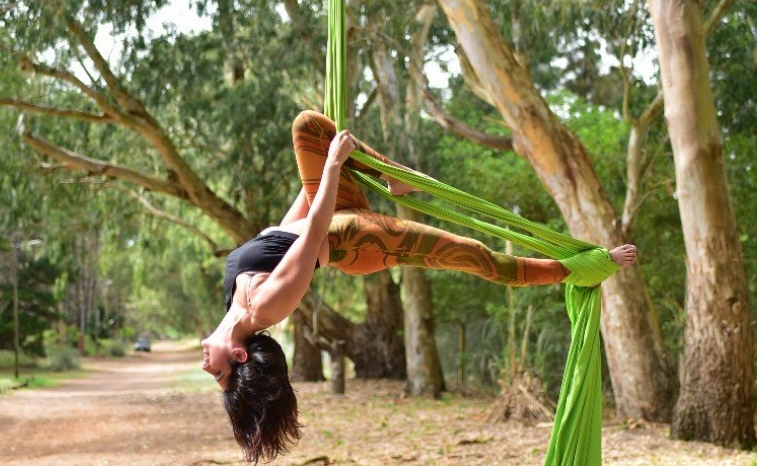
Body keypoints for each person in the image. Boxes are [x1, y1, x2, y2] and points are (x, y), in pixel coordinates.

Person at [201, 110, 637, 463]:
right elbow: (312, 235)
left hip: (332, 209)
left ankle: (396, 176)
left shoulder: (233, 302)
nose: (208, 368)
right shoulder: (265, 307)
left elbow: (284, 230)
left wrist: (321, 170)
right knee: (471, 254)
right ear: (239, 355)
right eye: (219, 373)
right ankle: (576, 267)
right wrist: (331, 166)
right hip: (357, 240)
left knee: (308, 126)